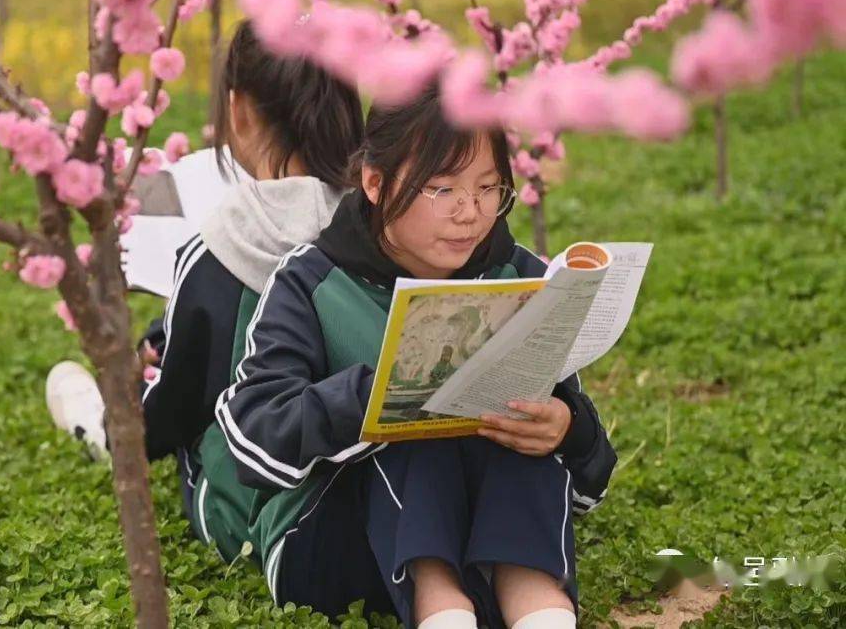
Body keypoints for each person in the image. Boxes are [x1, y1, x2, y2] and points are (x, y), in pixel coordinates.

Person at [207, 85, 618, 628]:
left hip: (484, 544)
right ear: (375, 183)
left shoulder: (519, 275)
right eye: (441, 188)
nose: (470, 213)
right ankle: (440, 605)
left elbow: (589, 485)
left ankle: (539, 607)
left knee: (510, 412)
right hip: (334, 551)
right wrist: (374, 397)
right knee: (412, 423)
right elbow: (251, 442)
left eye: (488, 188)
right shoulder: (310, 282)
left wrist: (567, 431)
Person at [44, 20, 365, 555]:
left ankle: (92, 421)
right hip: (376, 493)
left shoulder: (221, 250)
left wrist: (140, 396)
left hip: (253, 514)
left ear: (238, 111)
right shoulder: (390, 227)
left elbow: (173, 412)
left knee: (186, 426)